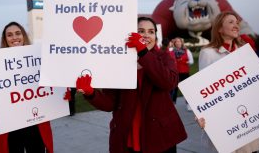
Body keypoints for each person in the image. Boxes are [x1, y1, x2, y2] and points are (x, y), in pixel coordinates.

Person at [76, 17, 187, 153]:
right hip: (126, 136)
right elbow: (110, 103)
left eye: (151, 32)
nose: (146, 35)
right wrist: (91, 93)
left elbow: (169, 82)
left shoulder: (164, 57)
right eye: (140, 31)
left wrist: (143, 53)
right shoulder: (118, 62)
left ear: (155, 37)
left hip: (159, 137)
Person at [0, 21, 54, 153]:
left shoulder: (37, 57)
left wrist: (61, 94)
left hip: (35, 122)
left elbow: (49, 85)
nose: (14, 38)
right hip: (10, 124)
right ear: (5, 39)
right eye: (10, 35)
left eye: (18, 33)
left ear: (23, 35)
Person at [197, 11, 259, 153]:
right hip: (225, 121)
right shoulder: (208, 53)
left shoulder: (244, 51)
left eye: (237, 22)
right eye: (231, 22)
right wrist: (200, 115)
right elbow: (202, 89)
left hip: (248, 120)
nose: (236, 25)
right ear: (219, 28)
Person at [171, 37, 194, 108]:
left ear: (181, 43)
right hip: (175, 73)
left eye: (179, 42)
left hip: (185, 72)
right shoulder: (171, 51)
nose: (178, 43)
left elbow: (191, 61)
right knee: (174, 89)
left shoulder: (187, 51)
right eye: (176, 42)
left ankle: (188, 104)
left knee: (186, 89)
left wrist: (185, 62)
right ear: (174, 43)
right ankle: (173, 104)